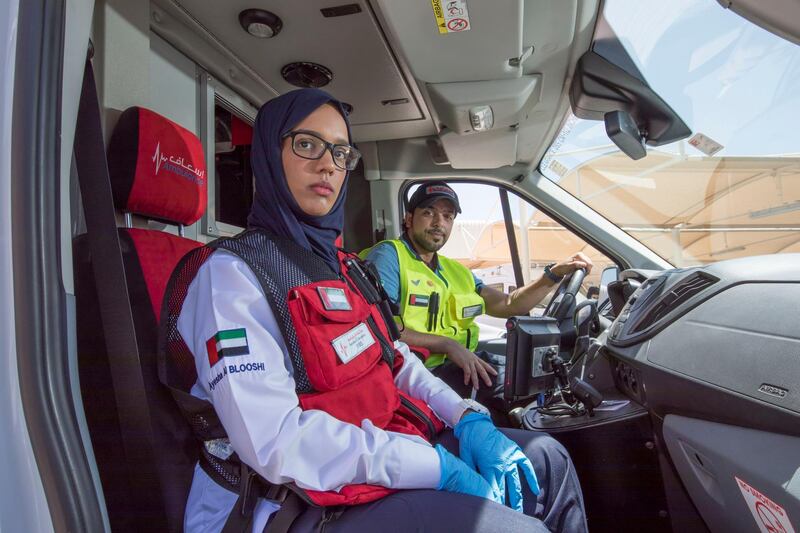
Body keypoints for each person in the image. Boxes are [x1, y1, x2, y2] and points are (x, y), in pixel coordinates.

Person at [159, 88, 587, 533]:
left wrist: (465, 416)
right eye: (307, 145)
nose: (328, 164)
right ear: (269, 153)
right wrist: (435, 466)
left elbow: (396, 359)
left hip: (383, 449)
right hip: (293, 501)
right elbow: (275, 443)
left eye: (341, 153)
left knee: (547, 459)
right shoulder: (232, 275)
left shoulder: (345, 268)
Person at [361, 182, 593, 407]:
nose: (439, 222)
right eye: (429, 213)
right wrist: (448, 345)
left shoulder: (457, 272)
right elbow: (379, 327)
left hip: (458, 364)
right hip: (416, 374)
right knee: (524, 390)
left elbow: (509, 304)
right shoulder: (389, 256)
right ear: (409, 219)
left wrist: (552, 275)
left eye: (448, 216)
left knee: (535, 378)